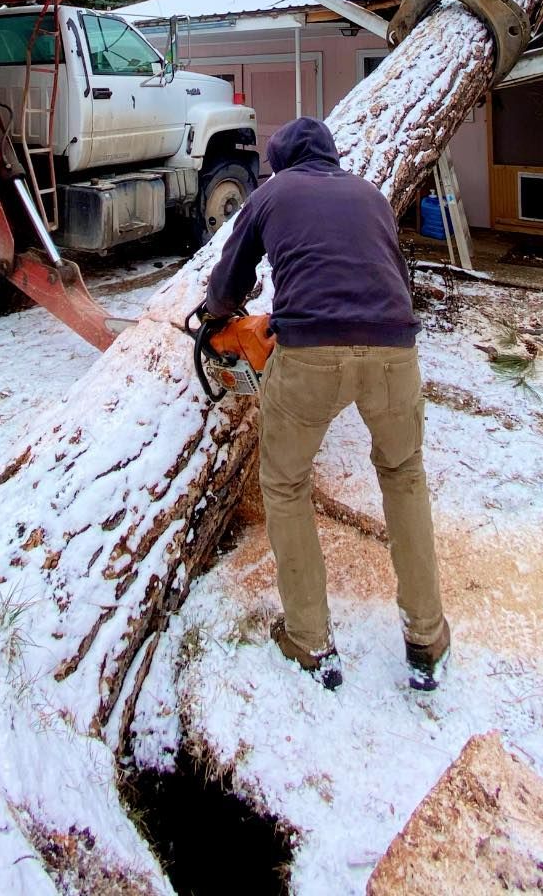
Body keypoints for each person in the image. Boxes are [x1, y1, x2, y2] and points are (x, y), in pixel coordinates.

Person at [204, 116, 450, 693]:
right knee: (404, 475)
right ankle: (426, 638)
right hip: (395, 350)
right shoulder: (370, 194)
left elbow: (228, 285)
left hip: (311, 352)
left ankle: (310, 639)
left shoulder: (272, 193)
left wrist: (218, 317)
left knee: (286, 483)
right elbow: (384, 272)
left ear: (280, 163)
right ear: (332, 157)